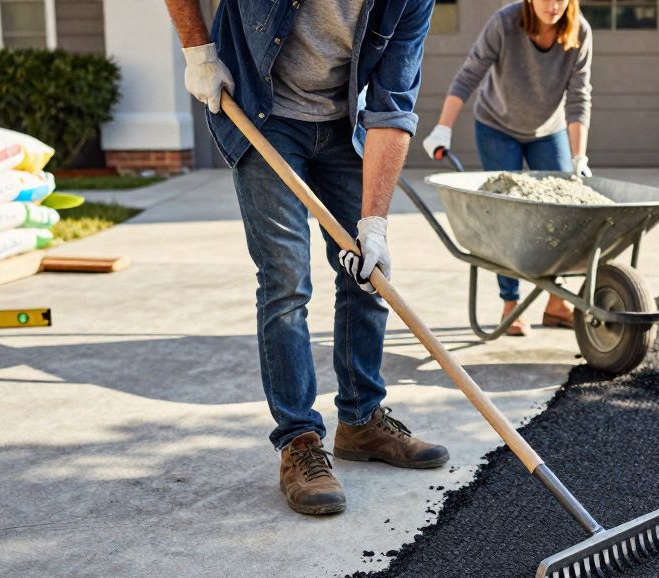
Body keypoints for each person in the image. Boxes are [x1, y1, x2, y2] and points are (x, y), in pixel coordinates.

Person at [163, 0, 448, 517]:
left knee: (368, 272)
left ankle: (361, 421)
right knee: (286, 280)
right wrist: (198, 51)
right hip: (263, 114)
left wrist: (374, 225)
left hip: (342, 120)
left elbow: (392, 104)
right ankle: (299, 441)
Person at [422, 0, 593, 337]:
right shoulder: (505, 22)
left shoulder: (579, 30)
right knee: (508, 214)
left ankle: (555, 300)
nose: (554, 5)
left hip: (549, 131)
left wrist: (579, 158)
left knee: (561, 210)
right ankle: (511, 303)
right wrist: (443, 127)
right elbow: (469, 75)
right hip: (497, 127)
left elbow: (579, 98)